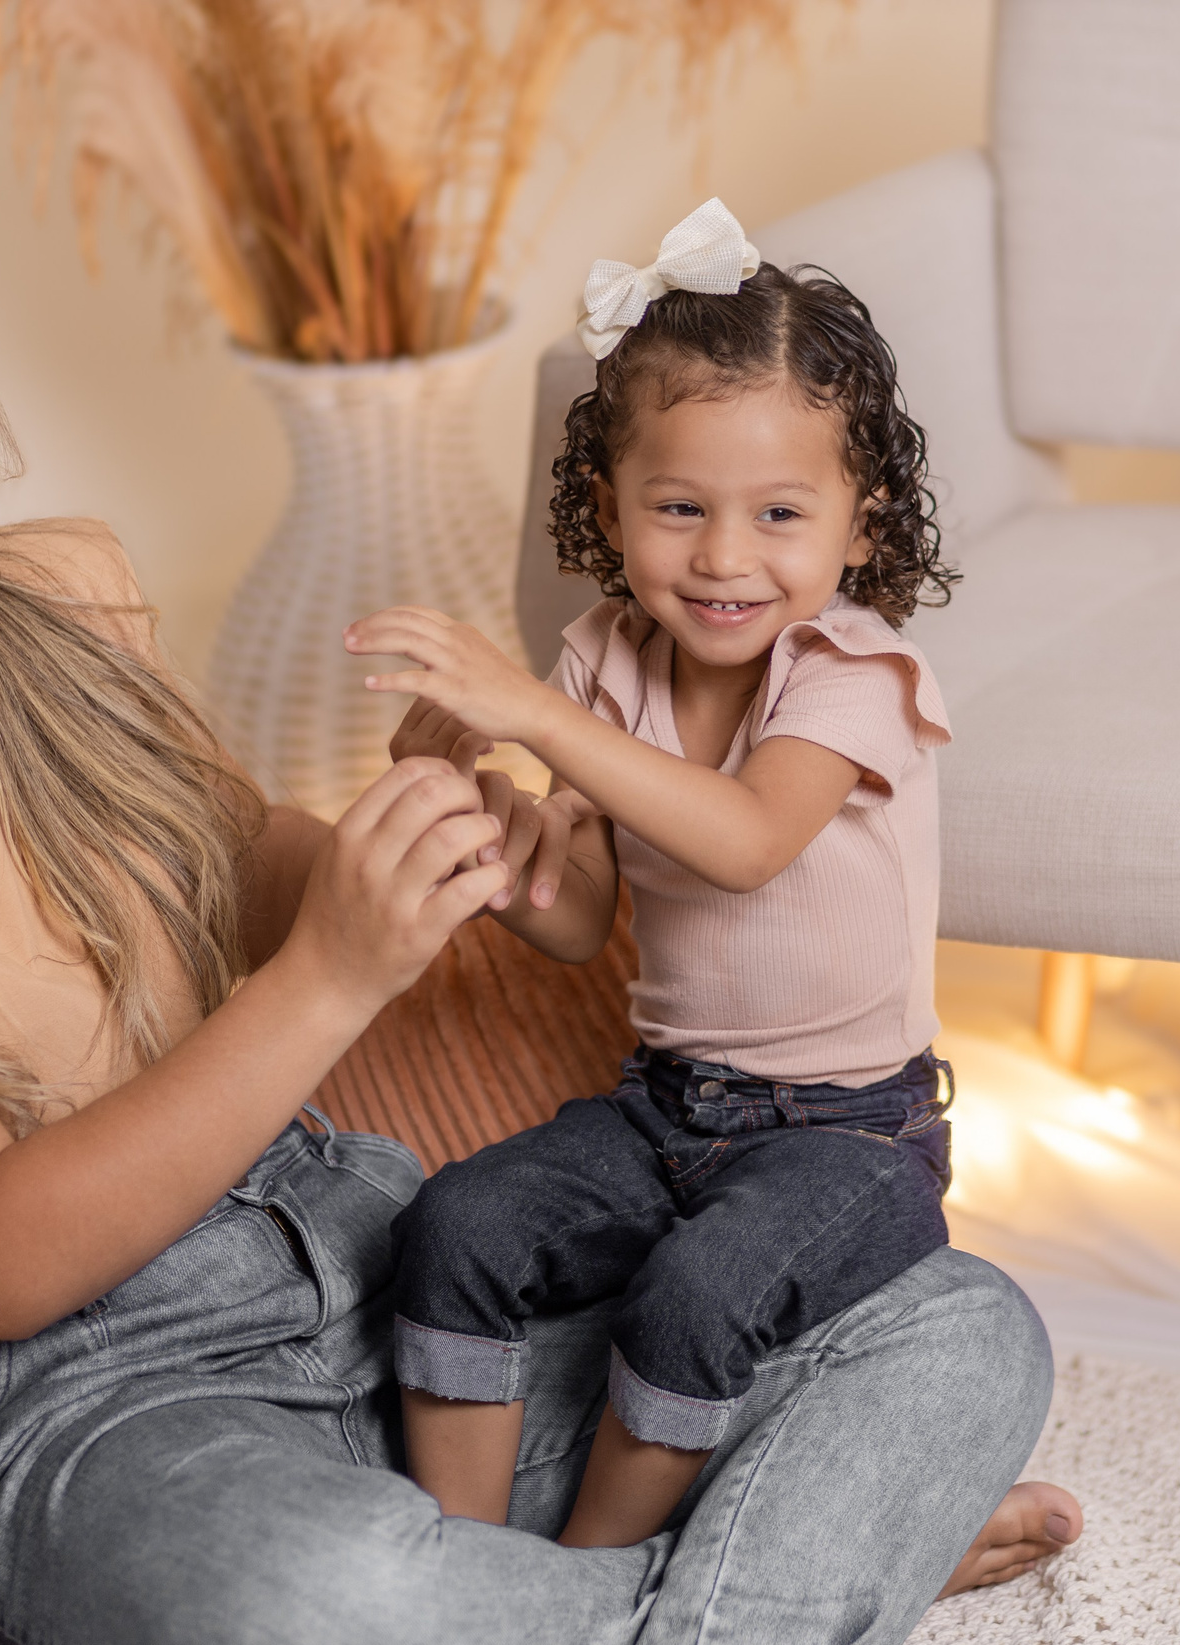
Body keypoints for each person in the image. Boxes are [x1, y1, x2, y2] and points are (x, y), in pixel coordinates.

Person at [0, 150, 1070, 1645]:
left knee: (959, 1325)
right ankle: (774, 1597)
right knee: (331, 1614)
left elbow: (240, 860)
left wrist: (442, 830)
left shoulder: (51, 610)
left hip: (340, 1252)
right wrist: (330, 977)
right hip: (76, 1408)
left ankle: (658, 1610)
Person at [348, 200, 1073, 1556]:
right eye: (678, 509)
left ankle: (586, 1578)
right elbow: (576, 925)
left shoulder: (853, 672)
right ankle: (464, 1564)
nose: (725, 557)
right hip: (664, 1110)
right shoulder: (604, 660)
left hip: (852, 1138)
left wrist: (537, 717)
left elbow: (744, 840)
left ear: (859, 527)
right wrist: (475, 804)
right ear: (610, 508)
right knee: (456, 1226)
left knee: (695, 1298)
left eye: (780, 514)